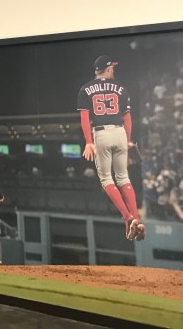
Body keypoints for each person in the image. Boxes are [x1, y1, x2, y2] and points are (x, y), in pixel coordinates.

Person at [78, 55, 145, 241]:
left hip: (101, 134)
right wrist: (129, 140)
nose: (113, 70)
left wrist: (88, 142)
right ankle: (137, 219)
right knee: (124, 178)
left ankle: (127, 217)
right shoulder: (121, 88)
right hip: (120, 133)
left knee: (107, 179)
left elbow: (84, 118)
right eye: (112, 68)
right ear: (107, 69)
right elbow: (127, 118)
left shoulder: (85, 89)